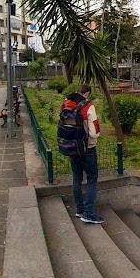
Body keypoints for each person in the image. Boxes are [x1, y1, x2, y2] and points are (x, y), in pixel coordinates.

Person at [58, 84, 102, 224]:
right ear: (87, 93)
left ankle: (79, 210)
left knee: (77, 178)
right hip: (87, 149)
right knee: (92, 178)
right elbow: (94, 133)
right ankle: (88, 213)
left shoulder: (65, 104)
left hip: (71, 147)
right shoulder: (89, 107)